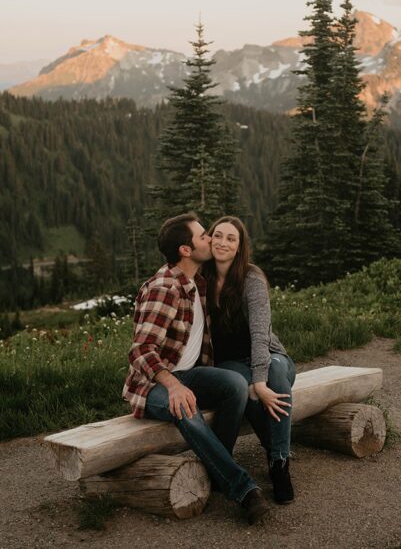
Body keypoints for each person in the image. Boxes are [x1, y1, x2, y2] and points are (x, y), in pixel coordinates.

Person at [122, 212, 270, 524]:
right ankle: (242, 488)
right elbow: (141, 350)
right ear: (186, 250)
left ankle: (219, 469)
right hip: (154, 385)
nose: (212, 239)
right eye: (204, 236)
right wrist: (173, 386)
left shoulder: (198, 283)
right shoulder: (164, 287)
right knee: (185, 406)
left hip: (187, 375)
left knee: (234, 385)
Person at [203, 215, 296, 504]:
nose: (223, 243)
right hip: (229, 363)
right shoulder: (201, 278)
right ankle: (273, 449)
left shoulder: (251, 278)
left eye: (231, 238)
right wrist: (255, 385)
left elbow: (260, 334)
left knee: (275, 376)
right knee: (248, 391)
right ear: (209, 238)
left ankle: (280, 463)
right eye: (218, 235)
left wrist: (259, 380)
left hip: (270, 355)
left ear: (240, 246)